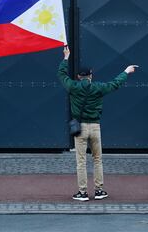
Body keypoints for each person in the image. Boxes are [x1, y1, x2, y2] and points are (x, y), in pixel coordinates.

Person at [58, 46, 137, 201]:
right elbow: (115, 84)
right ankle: (99, 190)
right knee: (97, 159)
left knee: (81, 161)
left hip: (79, 129)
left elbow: (61, 74)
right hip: (95, 127)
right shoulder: (98, 87)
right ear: (91, 76)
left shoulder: (73, 86)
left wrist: (66, 58)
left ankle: (82, 193)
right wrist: (126, 72)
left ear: (79, 76)